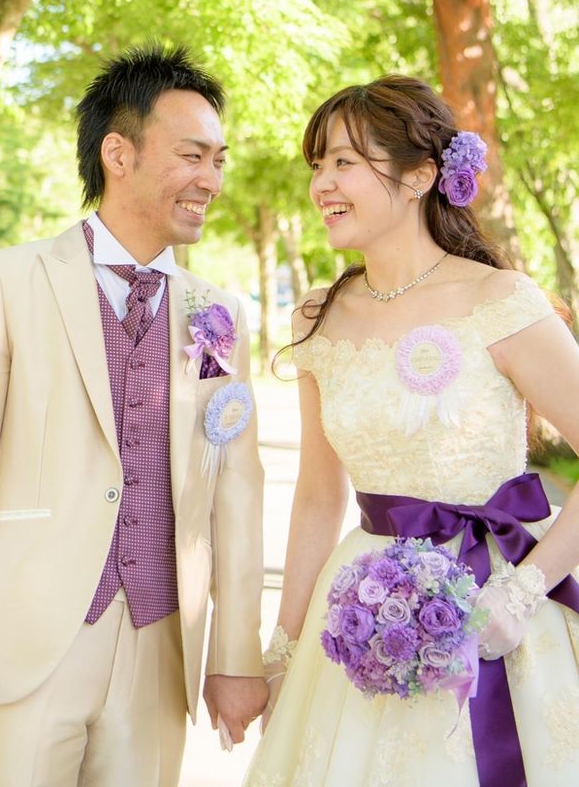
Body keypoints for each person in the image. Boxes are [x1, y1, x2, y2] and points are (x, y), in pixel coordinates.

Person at [0, 44, 267, 786]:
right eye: (192, 156)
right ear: (118, 154)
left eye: (219, 161)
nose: (211, 179)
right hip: (26, 638)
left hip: (159, 644)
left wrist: (235, 656)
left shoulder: (218, 314)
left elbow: (235, 490)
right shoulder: (6, 281)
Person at [245, 75, 579, 787]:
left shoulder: (498, 300)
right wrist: (285, 649)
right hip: (359, 610)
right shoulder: (317, 317)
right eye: (317, 164)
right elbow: (317, 496)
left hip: (496, 600)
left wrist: (521, 593)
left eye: (344, 162)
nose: (322, 184)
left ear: (421, 177)